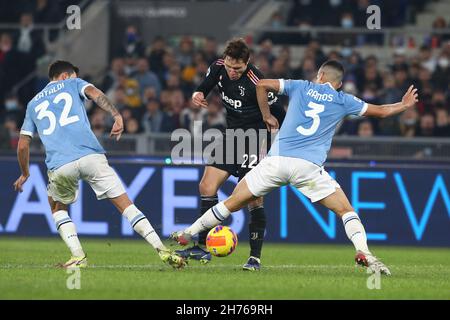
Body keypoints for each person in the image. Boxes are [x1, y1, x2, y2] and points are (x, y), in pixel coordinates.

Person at [171, 60, 420, 275]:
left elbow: (262, 84)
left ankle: (189, 233)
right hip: (308, 168)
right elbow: (382, 112)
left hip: (276, 162)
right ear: (339, 83)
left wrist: (267, 114)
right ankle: (364, 252)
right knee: (345, 211)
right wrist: (404, 105)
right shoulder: (345, 100)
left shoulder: (301, 86)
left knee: (232, 202)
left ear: (320, 76)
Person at [13, 60, 185, 269]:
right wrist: (116, 114)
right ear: (65, 76)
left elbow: (23, 145)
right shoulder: (73, 84)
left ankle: (78, 256)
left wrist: (25, 173)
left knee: (57, 207)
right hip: (91, 156)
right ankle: (162, 250)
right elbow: (95, 94)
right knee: (126, 205)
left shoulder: (32, 104)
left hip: (60, 164)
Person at [175, 38, 285, 271]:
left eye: (238, 68)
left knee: (253, 198)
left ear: (247, 63)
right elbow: (207, 82)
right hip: (231, 137)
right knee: (207, 186)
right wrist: (198, 93)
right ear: (224, 60)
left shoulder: (258, 80)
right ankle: (202, 248)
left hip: (256, 141)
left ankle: (254, 258)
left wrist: (278, 139)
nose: (232, 72)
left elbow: (278, 112)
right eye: (229, 66)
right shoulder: (218, 67)